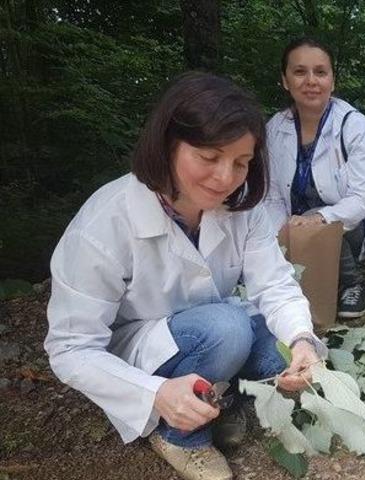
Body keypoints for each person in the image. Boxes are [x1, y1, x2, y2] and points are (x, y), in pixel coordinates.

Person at [44, 72, 326, 480]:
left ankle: (218, 400)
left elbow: (275, 284)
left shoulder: (242, 210)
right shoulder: (105, 223)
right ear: (167, 144)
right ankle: (178, 435)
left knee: (281, 352)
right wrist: (154, 392)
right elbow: (70, 348)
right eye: (209, 157)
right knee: (227, 329)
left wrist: (302, 341)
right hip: (145, 348)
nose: (225, 178)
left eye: (241, 163)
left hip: (212, 324)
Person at [266, 37, 365, 319]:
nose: (311, 81)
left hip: (355, 225)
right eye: (299, 72)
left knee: (317, 216)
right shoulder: (275, 128)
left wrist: (316, 219)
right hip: (297, 227)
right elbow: (272, 195)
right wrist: (281, 235)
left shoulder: (354, 126)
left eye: (320, 72)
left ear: (332, 81)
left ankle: (352, 283)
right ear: (285, 80)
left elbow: (362, 200)